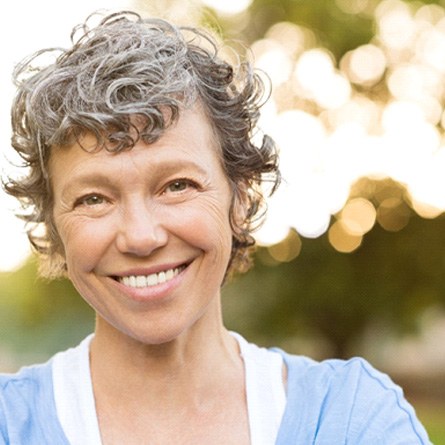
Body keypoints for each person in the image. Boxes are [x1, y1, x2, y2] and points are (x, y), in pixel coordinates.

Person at [0, 10, 431, 445]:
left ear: (240, 197)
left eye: (177, 185)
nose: (141, 236)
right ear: (53, 226)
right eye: (93, 198)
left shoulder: (352, 418)